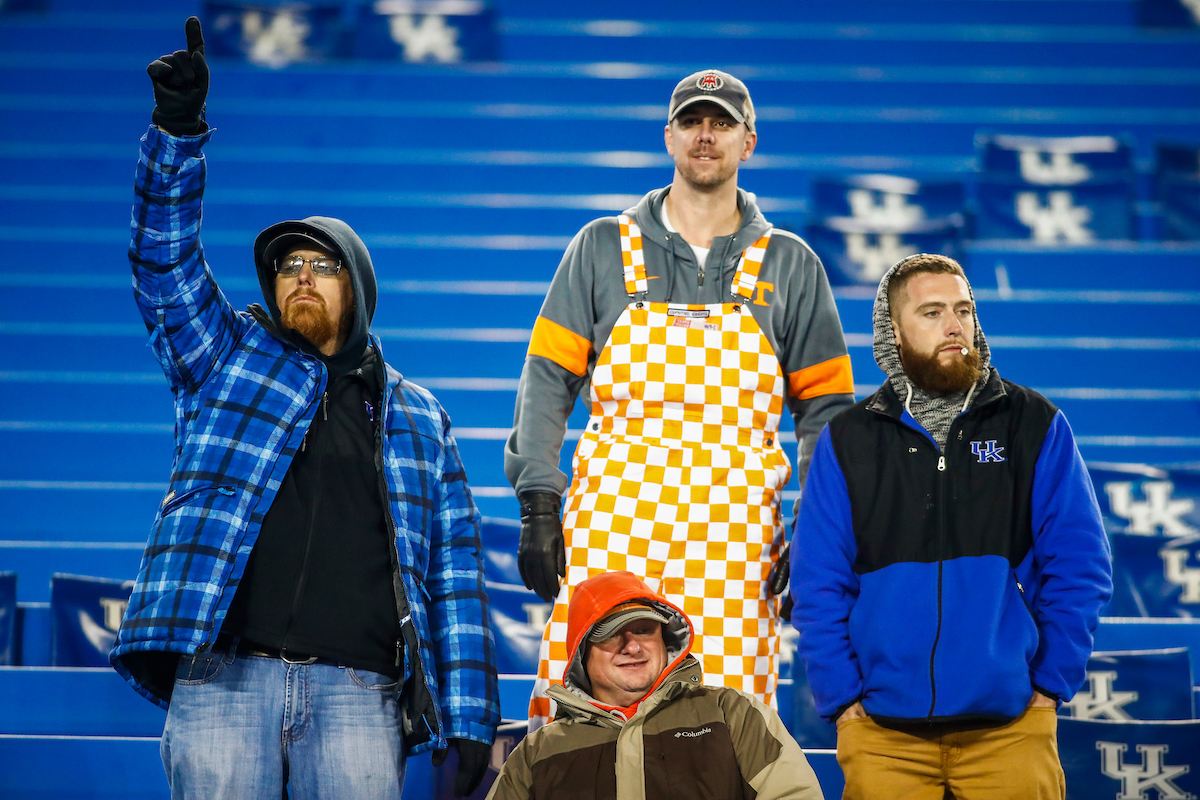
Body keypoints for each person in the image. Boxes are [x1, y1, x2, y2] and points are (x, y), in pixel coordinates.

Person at [110, 18, 499, 799]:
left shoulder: (419, 417)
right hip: (224, 678)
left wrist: (470, 721)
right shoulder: (224, 360)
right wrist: (175, 134)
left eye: (323, 266)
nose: (301, 278)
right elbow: (162, 262)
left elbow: (455, 573)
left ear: (358, 290)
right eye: (289, 266)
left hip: (359, 693)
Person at [505, 68, 855, 723]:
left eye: (721, 123)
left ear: (748, 142)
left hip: (737, 529)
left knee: (726, 723)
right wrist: (538, 501)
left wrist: (817, 521)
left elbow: (828, 412)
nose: (705, 135)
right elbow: (546, 379)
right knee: (586, 713)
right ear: (669, 137)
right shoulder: (600, 248)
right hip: (613, 517)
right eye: (693, 121)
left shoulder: (793, 264)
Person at [791, 253, 1113, 799]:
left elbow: (1080, 566)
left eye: (963, 310)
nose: (953, 326)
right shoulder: (848, 441)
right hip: (882, 738)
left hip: (1012, 732)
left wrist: (1048, 688)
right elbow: (817, 581)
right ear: (894, 329)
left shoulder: (1034, 424)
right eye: (933, 312)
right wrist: (845, 702)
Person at [486, 570, 824, 799]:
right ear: (581, 654)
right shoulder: (538, 752)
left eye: (645, 630)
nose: (632, 646)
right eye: (611, 634)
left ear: (666, 640)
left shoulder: (731, 713)